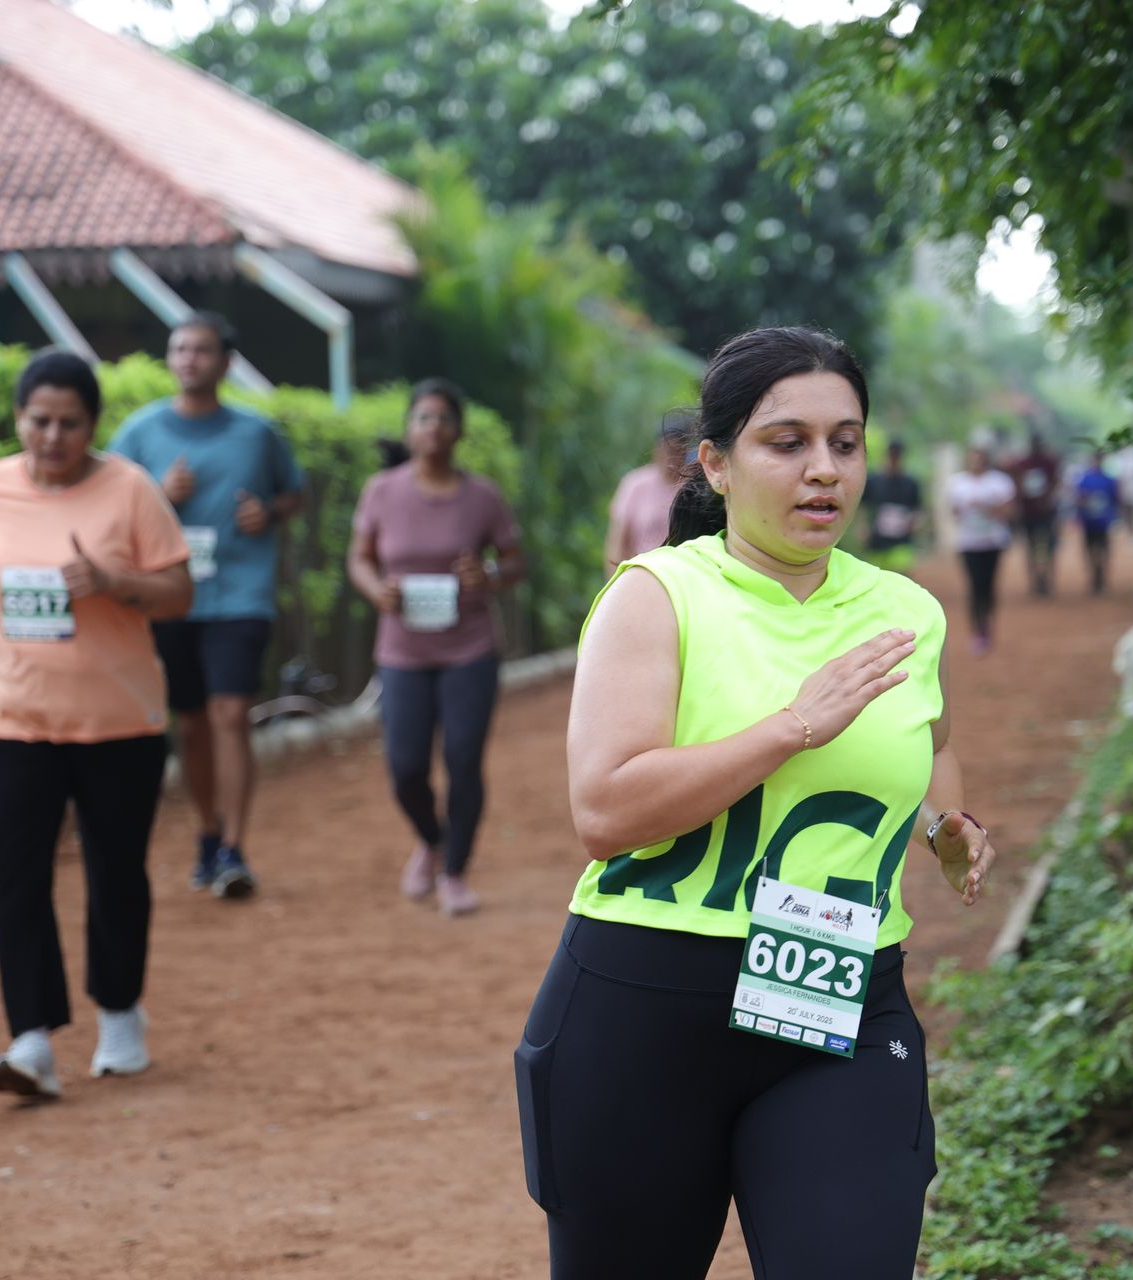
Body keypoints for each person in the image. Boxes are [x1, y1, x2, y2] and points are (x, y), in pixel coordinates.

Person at [514, 326, 998, 1279]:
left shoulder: (907, 610)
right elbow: (607, 812)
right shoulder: (656, 597)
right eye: (788, 443)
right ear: (717, 463)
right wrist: (791, 726)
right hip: (645, 1007)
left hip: (840, 996)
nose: (824, 470)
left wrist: (945, 825)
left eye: (844, 442)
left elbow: (931, 741)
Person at [0, 350, 193, 1099]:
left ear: (93, 425)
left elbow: (178, 591)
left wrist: (113, 582)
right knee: (14, 874)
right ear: (19, 418)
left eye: (69, 423)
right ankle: (31, 1041)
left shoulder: (130, 491)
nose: (52, 437)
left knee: (115, 870)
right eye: (39, 421)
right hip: (6, 712)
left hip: (116, 721)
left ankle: (120, 1013)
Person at [108, 312, 304, 899]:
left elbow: (293, 492)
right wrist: (157, 497)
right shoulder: (139, 433)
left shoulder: (257, 432)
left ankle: (235, 848)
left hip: (239, 595)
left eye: (202, 350)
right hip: (170, 598)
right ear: (170, 360)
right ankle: (208, 830)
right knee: (190, 723)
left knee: (229, 713)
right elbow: (107, 507)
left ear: (224, 362)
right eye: (180, 349)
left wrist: (268, 513)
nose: (190, 359)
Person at [347, 379, 525, 917]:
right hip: (402, 650)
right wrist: (377, 589)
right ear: (409, 428)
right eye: (423, 418)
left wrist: (487, 573)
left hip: (469, 647)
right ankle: (431, 838)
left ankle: (454, 873)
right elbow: (359, 557)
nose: (433, 428)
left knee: (463, 760)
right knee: (404, 767)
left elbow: (515, 562)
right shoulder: (382, 490)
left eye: (444, 418)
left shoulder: (483, 497)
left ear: (459, 430)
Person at [946, 444, 1017, 656]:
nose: (975, 463)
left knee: (989, 585)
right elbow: (953, 512)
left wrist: (986, 506)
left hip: (993, 541)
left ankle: (987, 625)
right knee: (974, 585)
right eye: (972, 459)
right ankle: (977, 631)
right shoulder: (958, 483)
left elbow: (1008, 511)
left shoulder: (999, 482)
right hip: (968, 542)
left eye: (979, 459)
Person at [604, 409, 691, 575]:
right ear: (657, 449)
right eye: (668, 450)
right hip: (639, 573)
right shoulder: (635, 484)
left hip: (680, 575)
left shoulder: (692, 488)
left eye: (678, 450)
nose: (672, 457)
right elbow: (617, 542)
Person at [1009, 430, 1061, 595]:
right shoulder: (1024, 463)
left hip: (1045, 513)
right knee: (1032, 548)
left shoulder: (1048, 462)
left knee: (1047, 548)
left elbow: (1055, 482)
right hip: (1030, 513)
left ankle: (1045, 579)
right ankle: (1037, 580)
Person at [863, 437, 925, 573]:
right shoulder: (874, 481)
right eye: (892, 455)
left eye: (898, 456)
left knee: (901, 578)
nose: (895, 460)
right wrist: (863, 528)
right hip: (877, 542)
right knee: (876, 579)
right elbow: (863, 507)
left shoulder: (911, 483)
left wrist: (915, 523)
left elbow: (918, 508)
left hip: (902, 542)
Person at [1076, 448, 1123, 595]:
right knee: (1090, 551)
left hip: (1103, 521)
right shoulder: (1085, 479)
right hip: (1089, 521)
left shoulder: (1109, 480)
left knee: (1103, 550)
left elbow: (1116, 499)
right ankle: (1094, 578)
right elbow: (1078, 499)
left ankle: (1101, 577)